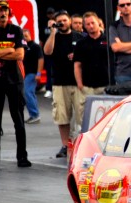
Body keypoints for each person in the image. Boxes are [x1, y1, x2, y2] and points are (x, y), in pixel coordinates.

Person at [0, 1, 31, 170]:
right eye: (0, 10)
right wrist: (9, 50)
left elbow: (20, 55)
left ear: (10, 12)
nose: (3, 13)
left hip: (15, 80)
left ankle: (22, 157)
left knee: (19, 119)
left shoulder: (16, 30)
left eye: (6, 10)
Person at [43, 10, 84, 158]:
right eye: (59, 21)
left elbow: (88, 55)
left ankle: (82, 144)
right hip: (60, 82)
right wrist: (53, 32)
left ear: (70, 21)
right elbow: (47, 52)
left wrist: (78, 56)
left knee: (82, 115)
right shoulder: (54, 37)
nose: (62, 23)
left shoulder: (79, 37)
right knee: (62, 116)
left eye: (65, 20)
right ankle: (65, 145)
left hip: (78, 82)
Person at [73, 12, 110, 122]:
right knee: (85, 119)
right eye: (88, 24)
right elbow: (77, 65)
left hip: (106, 85)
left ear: (98, 22)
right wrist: (80, 85)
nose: (91, 26)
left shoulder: (108, 40)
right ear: (84, 26)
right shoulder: (81, 44)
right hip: (87, 87)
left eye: (93, 23)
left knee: (106, 119)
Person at [22, 29, 43, 124]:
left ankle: (35, 115)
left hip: (32, 73)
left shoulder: (35, 46)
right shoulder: (23, 47)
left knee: (27, 93)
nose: (24, 38)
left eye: (26, 36)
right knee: (29, 93)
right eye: (23, 36)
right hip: (25, 74)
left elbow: (41, 60)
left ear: (30, 36)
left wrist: (38, 73)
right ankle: (34, 114)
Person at [41, 7, 55, 98]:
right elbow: (41, 40)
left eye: (52, 13)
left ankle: (55, 88)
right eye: (49, 13)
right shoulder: (44, 26)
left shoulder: (58, 25)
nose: (50, 15)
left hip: (57, 51)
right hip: (48, 51)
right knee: (49, 71)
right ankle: (49, 89)